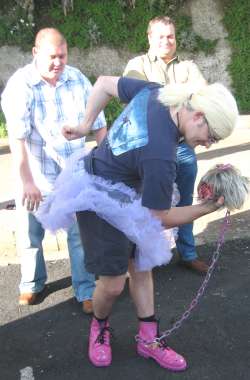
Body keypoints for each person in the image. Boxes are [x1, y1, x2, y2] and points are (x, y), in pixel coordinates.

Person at [39, 75, 238, 370]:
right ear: (198, 116)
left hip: (133, 190)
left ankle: (148, 339)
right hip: (100, 197)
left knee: (142, 267)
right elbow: (159, 218)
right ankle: (99, 328)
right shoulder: (161, 156)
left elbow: (105, 84)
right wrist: (205, 208)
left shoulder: (157, 93)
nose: (208, 145)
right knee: (113, 284)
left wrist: (85, 124)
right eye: (212, 137)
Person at [1, 28, 107, 313]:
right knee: (30, 236)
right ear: (35, 53)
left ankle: (85, 289)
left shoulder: (77, 79)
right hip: (35, 176)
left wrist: (108, 163)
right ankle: (32, 284)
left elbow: (98, 123)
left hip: (74, 177)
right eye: (52, 56)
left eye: (63, 55)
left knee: (78, 237)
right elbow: (18, 139)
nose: (59, 62)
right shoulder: (20, 86)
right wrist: (26, 181)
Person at [124, 16, 209, 273]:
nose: (166, 41)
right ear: (150, 38)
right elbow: (137, 98)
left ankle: (188, 252)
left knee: (184, 201)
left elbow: (203, 96)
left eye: (170, 36)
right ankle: (142, 258)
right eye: (160, 36)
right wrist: (182, 94)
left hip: (181, 147)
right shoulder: (136, 65)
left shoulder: (188, 67)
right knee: (145, 203)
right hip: (147, 148)